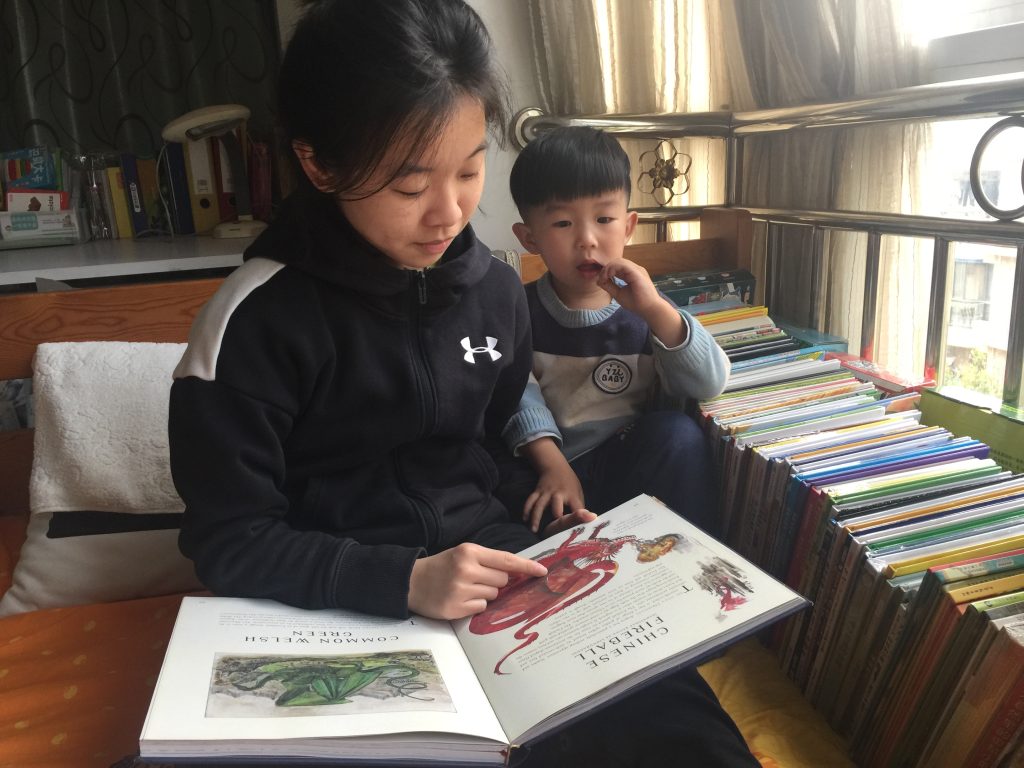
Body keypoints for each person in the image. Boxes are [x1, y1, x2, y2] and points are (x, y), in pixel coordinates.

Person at [168, 1, 757, 765]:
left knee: (672, 717)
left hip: (490, 562)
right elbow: (228, 539)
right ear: (319, 164)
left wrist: (562, 522)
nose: (449, 213)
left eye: (472, 170)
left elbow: (491, 441)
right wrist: (403, 580)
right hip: (328, 601)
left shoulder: (495, 290)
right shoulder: (254, 323)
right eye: (410, 185)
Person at [502, 126, 731, 537]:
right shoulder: (517, 309)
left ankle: (695, 554)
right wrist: (553, 466)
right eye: (563, 223)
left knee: (678, 435)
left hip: (621, 462)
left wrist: (655, 310)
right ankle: (563, 546)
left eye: (604, 219)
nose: (587, 240)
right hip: (543, 466)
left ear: (628, 226)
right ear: (529, 238)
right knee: (493, 476)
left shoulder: (643, 306)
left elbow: (708, 383)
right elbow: (516, 397)